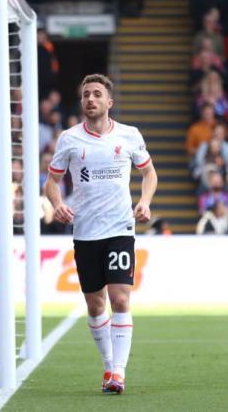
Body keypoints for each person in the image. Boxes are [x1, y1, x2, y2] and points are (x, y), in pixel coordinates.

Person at [44, 74, 157, 394]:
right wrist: (57, 203)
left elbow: (149, 173)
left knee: (120, 298)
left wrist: (145, 202)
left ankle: (119, 373)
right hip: (85, 232)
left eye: (96, 94)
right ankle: (109, 366)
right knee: (95, 306)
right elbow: (52, 181)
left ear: (109, 102)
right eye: (85, 95)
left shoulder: (129, 135)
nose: (90, 99)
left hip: (120, 228)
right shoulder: (69, 139)